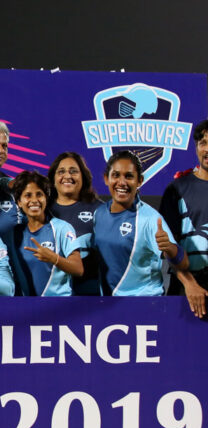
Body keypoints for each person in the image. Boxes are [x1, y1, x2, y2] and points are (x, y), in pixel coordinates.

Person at [89, 151, 188, 296]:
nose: (122, 182)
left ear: (139, 181)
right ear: (106, 178)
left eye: (129, 176)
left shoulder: (150, 219)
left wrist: (170, 248)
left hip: (144, 303)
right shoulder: (99, 213)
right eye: (116, 175)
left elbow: (183, 263)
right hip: (109, 303)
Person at [160, 120, 208, 317]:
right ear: (196, 147)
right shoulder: (177, 189)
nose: (207, 149)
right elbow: (169, 247)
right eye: (203, 143)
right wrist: (189, 283)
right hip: (187, 290)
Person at [8, 171, 83, 296]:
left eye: (39, 194)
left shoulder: (62, 228)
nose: (34, 200)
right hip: (29, 305)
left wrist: (54, 258)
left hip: (59, 304)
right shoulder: (15, 233)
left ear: (46, 199)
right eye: (28, 195)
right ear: (19, 202)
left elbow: (78, 269)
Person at [47, 152, 103, 295]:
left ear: (83, 177)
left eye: (74, 171)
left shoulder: (100, 210)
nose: (67, 176)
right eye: (61, 172)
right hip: (51, 292)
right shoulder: (42, 209)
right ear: (53, 179)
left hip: (89, 291)